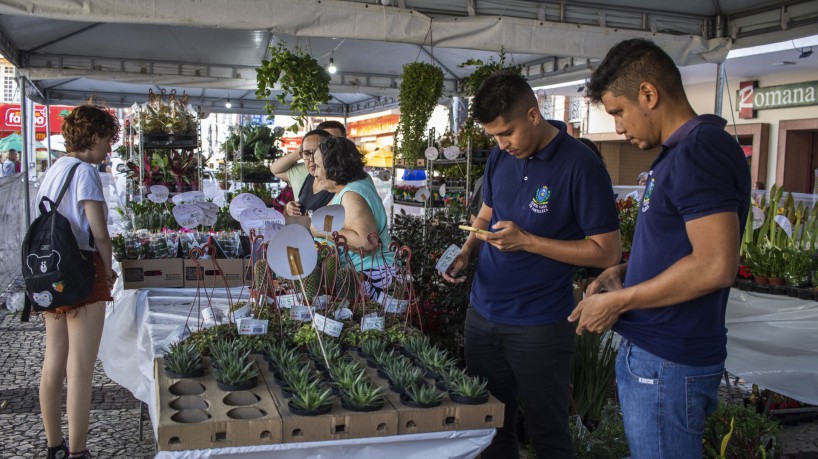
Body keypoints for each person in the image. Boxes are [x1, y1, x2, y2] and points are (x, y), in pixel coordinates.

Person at [571, 38, 751, 458]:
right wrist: (626, 272)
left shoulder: (698, 150)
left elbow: (714, 265)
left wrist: (621, 302)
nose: (617, 127)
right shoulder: (682, 152)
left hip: (668, 360)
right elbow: (685, 248)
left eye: (619, 112)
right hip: (661, 356)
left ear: (648, 94)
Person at [442, 72, 622, 459]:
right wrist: (467, 251)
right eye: (494, 136)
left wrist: (529, 242)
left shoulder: (581, 165)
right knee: (490, 428)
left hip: (540, 324)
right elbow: (486, 215)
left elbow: (607, 251)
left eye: (507, 132)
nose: (501, 144)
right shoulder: (499, 159)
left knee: (547, 434)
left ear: (534, 114)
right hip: (483, 314)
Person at [35, 105, 120, 459]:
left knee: (53, 359)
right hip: (83, 271)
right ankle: (78, 452)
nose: (109, 148)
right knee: (81, 368)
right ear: (95, 136)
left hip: (50, 270)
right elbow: (99, 234)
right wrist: (110, 268)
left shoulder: (54, 169)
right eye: (108, 140)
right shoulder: (85, 172)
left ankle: (54, 445)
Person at [311, 136, 396, 299]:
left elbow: (366, 242)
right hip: (370, 273)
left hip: (372, 276)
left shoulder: (351, 195)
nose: (315, 173)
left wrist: (322, 230)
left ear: (334, 170)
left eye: (318, 166)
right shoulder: (358, 182)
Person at [270, 129, 334, 216]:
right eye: (307, 153)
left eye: (317, 153)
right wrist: (291, 207)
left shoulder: (337, 184)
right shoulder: (309, 177)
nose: (312, 159)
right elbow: (275, 169)